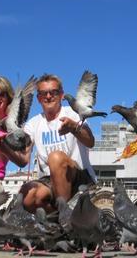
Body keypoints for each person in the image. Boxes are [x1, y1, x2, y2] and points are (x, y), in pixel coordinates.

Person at [19, 73, 96, 212]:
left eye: (53, 92)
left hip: (78, 178)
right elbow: (23, 159)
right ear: (38, 99)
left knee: (55, 158)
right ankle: (54, 220)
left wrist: (74, 128)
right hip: (50, 182)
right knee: (28, 194)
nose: (48, 97)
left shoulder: (73, 113)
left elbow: (90, 141)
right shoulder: (33, 123)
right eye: (43, 94)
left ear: (61, 95)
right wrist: (2, 147)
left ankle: (63, 217)